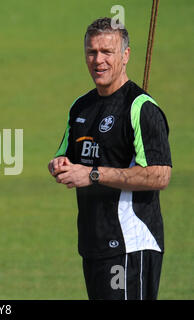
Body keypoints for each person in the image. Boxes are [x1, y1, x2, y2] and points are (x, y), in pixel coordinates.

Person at [48, 18, 172, 300]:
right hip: (94, 243)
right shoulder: (82, 106)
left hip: (130, 243)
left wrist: (92, 175)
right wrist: (60, 166)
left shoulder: (141, 108)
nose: (98, 60)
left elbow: (160, 174)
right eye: (92, 52)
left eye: (107, 52)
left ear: (125, 55)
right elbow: (65, 157)